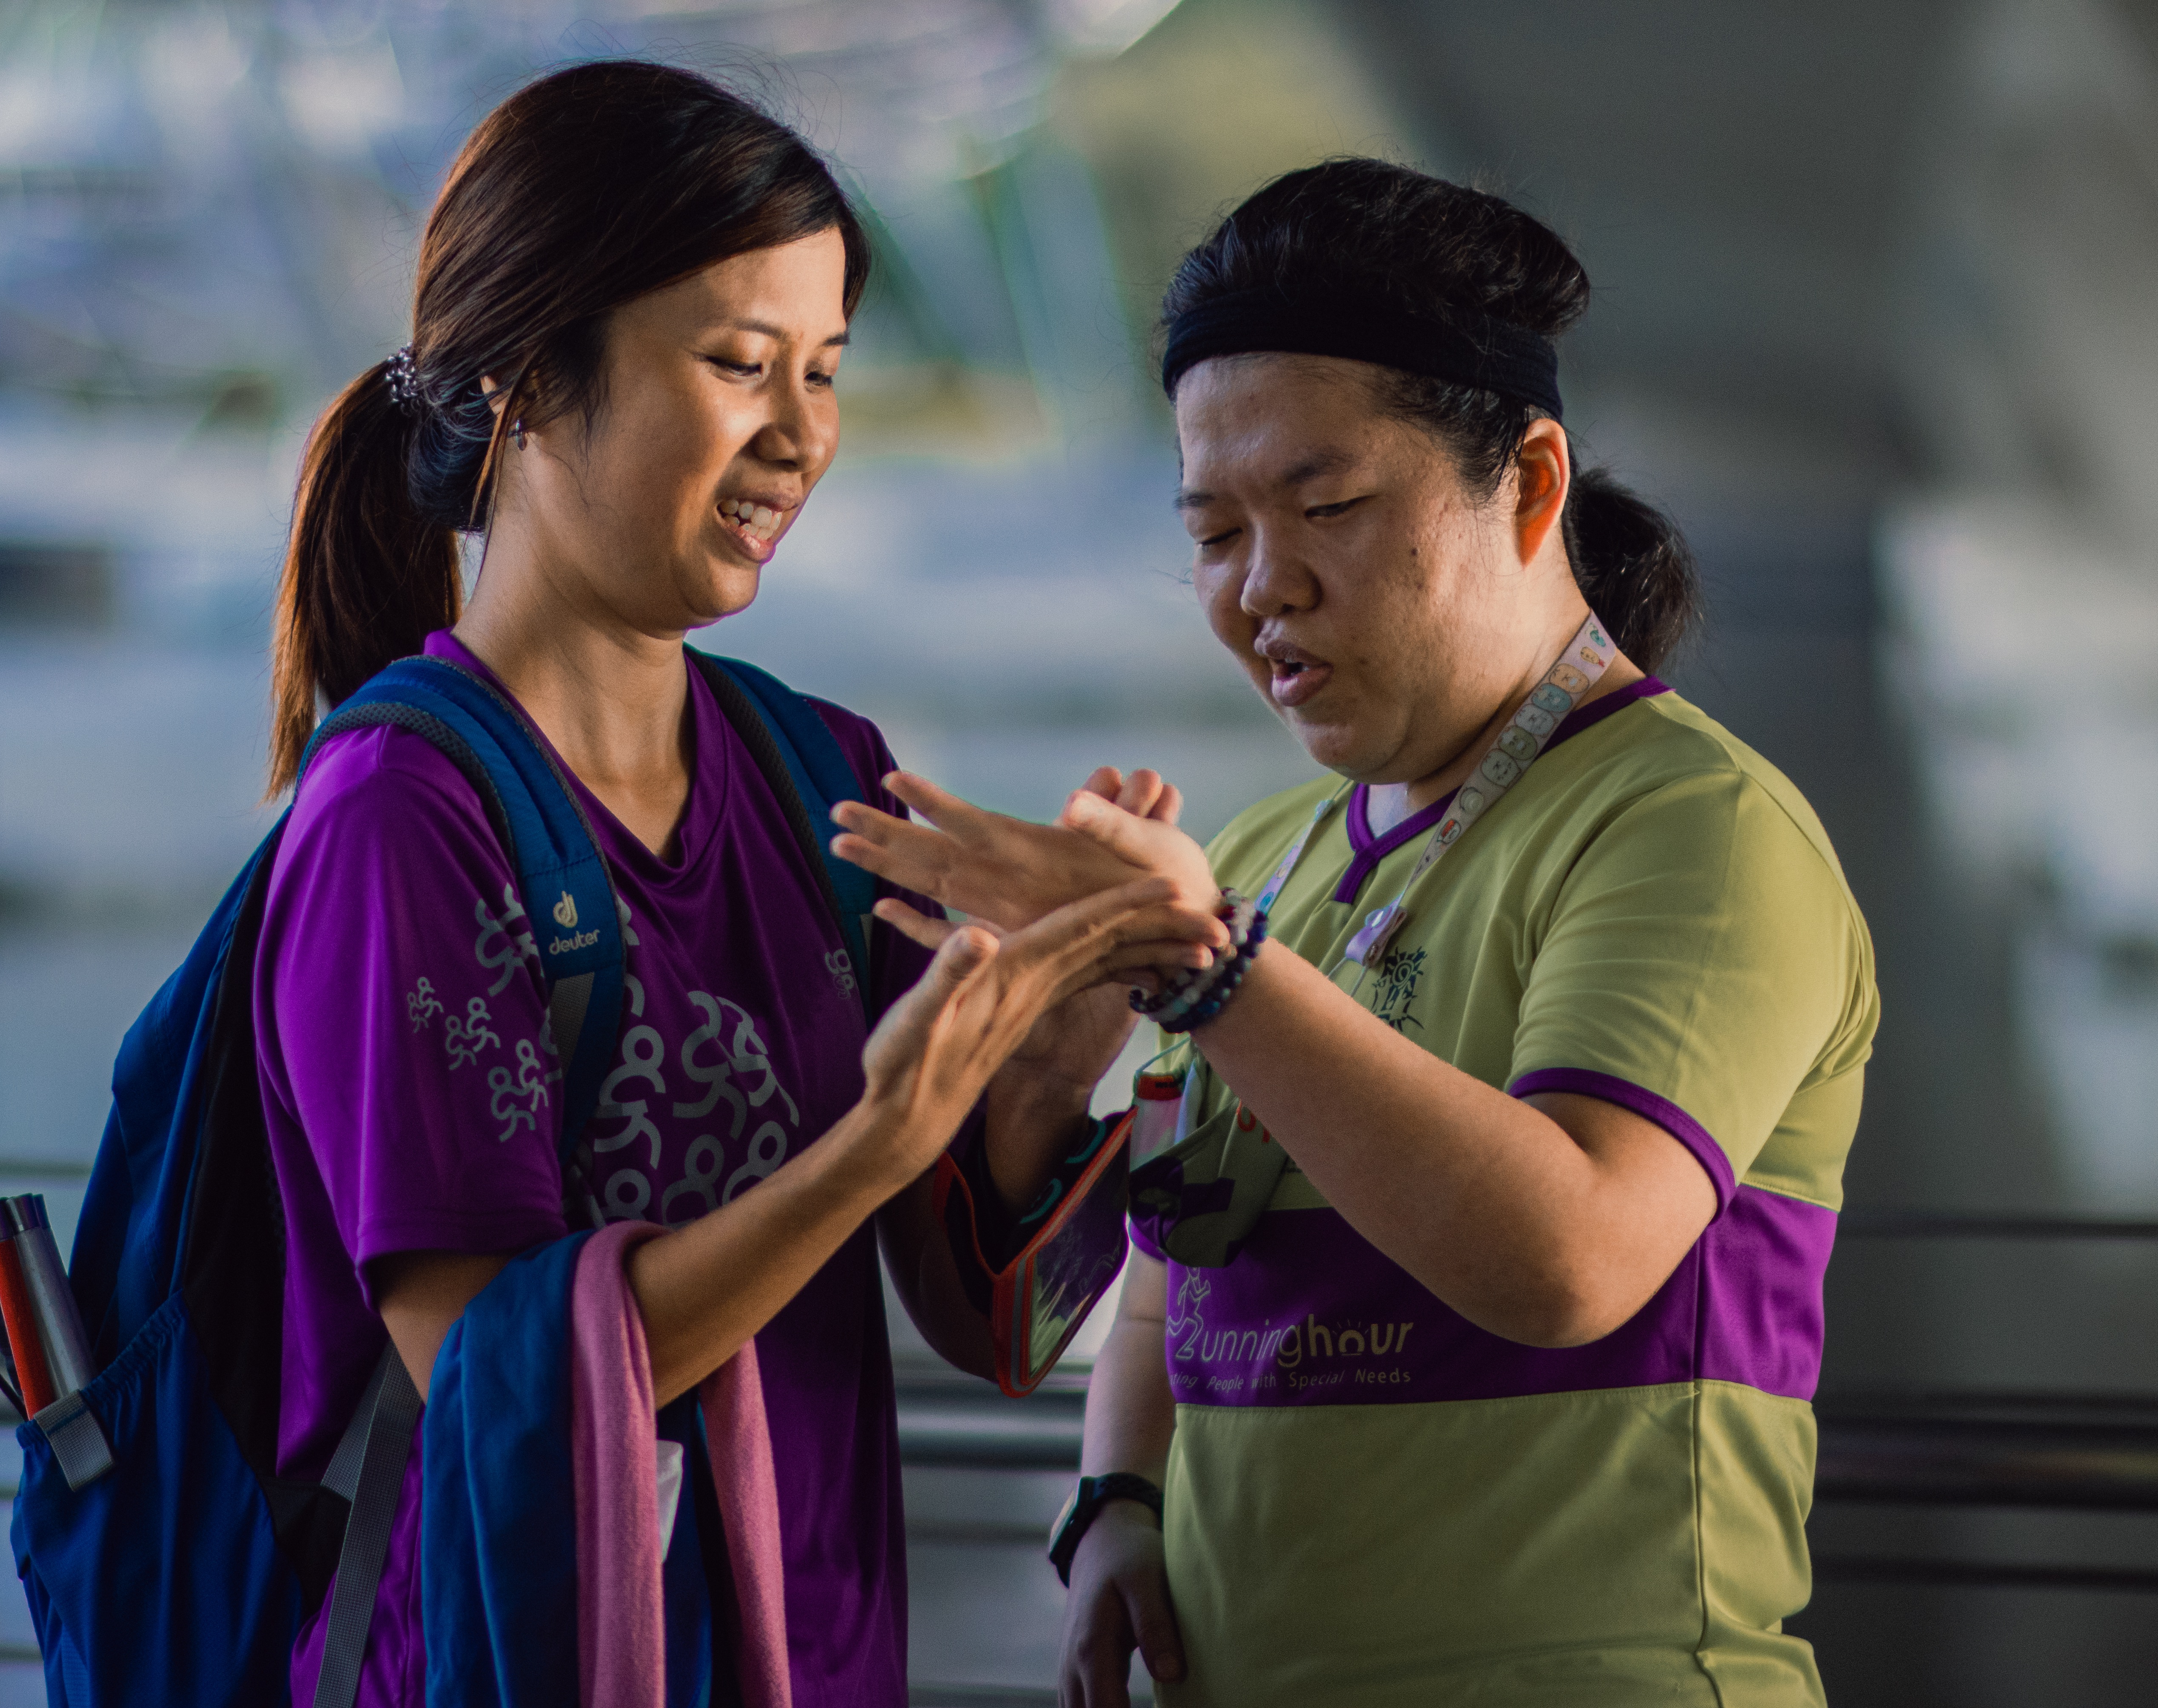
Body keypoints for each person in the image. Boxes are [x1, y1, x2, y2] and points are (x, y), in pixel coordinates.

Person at [832, 158, 1879, 1706]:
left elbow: (1570, 1259)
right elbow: (1158, 1276)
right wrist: (1119, 1491)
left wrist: (1206, 969)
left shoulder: (1689, 826)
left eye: (1325, 506)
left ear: (1527, 484)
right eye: (1213, 532)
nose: (1264, 587)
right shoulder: (1263, 855)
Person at [250, 61, 1217, 1708]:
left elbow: (996, 1329)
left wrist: (1066, 1032)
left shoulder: (820, 770)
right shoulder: (400, 821)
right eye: (738, 364)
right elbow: (495, 1383)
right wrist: (875, 1144)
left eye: (828, 371)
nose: (802, 435)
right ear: (527, 386)